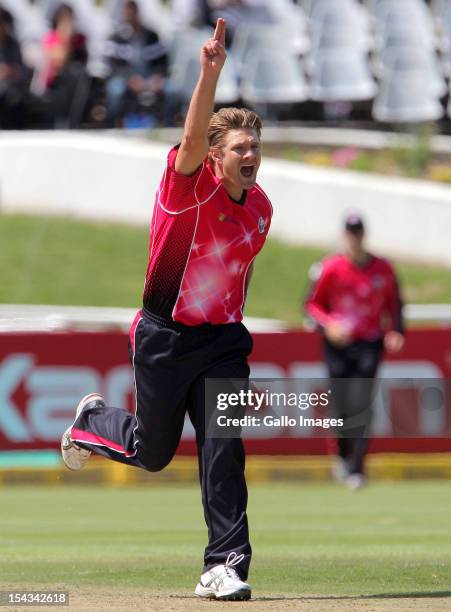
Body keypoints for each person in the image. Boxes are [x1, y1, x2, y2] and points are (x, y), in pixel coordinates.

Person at [61, 18, 273, 601]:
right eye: (239, 147)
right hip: (164, 336)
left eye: (256, 146)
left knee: (223, 449)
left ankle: (223, 564)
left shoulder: (260, 209)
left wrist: (234, 349)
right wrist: (210, 74)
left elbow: (238, 280)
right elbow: (192, 131)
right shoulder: (185, 186)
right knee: (152, 453)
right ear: (214, 154)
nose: (250, 154)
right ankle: (92, 421)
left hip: (223, 343)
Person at [305, 214, 404, 489]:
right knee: (341, 402)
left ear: (364, 235)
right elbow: (311, 306)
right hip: (337, 345)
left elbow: (395, 304)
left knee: (362, 401)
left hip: (368, 342)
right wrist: (329, 327)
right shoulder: (330, 268)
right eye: (350, 233)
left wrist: (395, 330)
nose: (354, 238)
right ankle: (341, 454)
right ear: (344, 236)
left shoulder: (382, 268)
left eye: (358, 233)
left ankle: (357, 466)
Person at [104, 0, 168, 127]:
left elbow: (162, 62)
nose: (131, 14)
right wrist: (130, 79)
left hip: (149, 77)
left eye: (133, 10)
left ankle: (166, 124)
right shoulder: (116, 37)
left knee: (172, 90)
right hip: (124, 78)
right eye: (128, 10)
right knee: (115, 90)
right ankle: (112, 125)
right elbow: (113, 66)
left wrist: (157, 77)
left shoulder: (151, 36)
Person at [38, 3, 88, 126]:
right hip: (55, 82)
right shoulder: (50, 38)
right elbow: (60, 59)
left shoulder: (80, 38)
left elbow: (84, 60)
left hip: (75, 82)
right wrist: (65, 38)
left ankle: (73, 122)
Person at [0, 7, 28, 129]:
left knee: (14, 97)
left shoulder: (13, 44)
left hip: (10, 86)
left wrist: (9, 71)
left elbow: (20, 68)